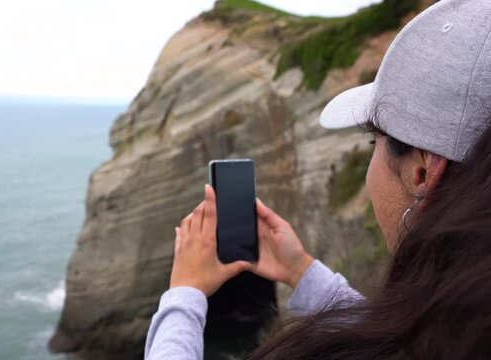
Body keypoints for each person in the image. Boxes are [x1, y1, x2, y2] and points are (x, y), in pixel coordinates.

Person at [144, 0, 491, 359]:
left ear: (421, 172)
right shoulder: (466, 326)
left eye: (375, 141)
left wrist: (184, 294)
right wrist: (302, 271)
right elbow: (395, 334)